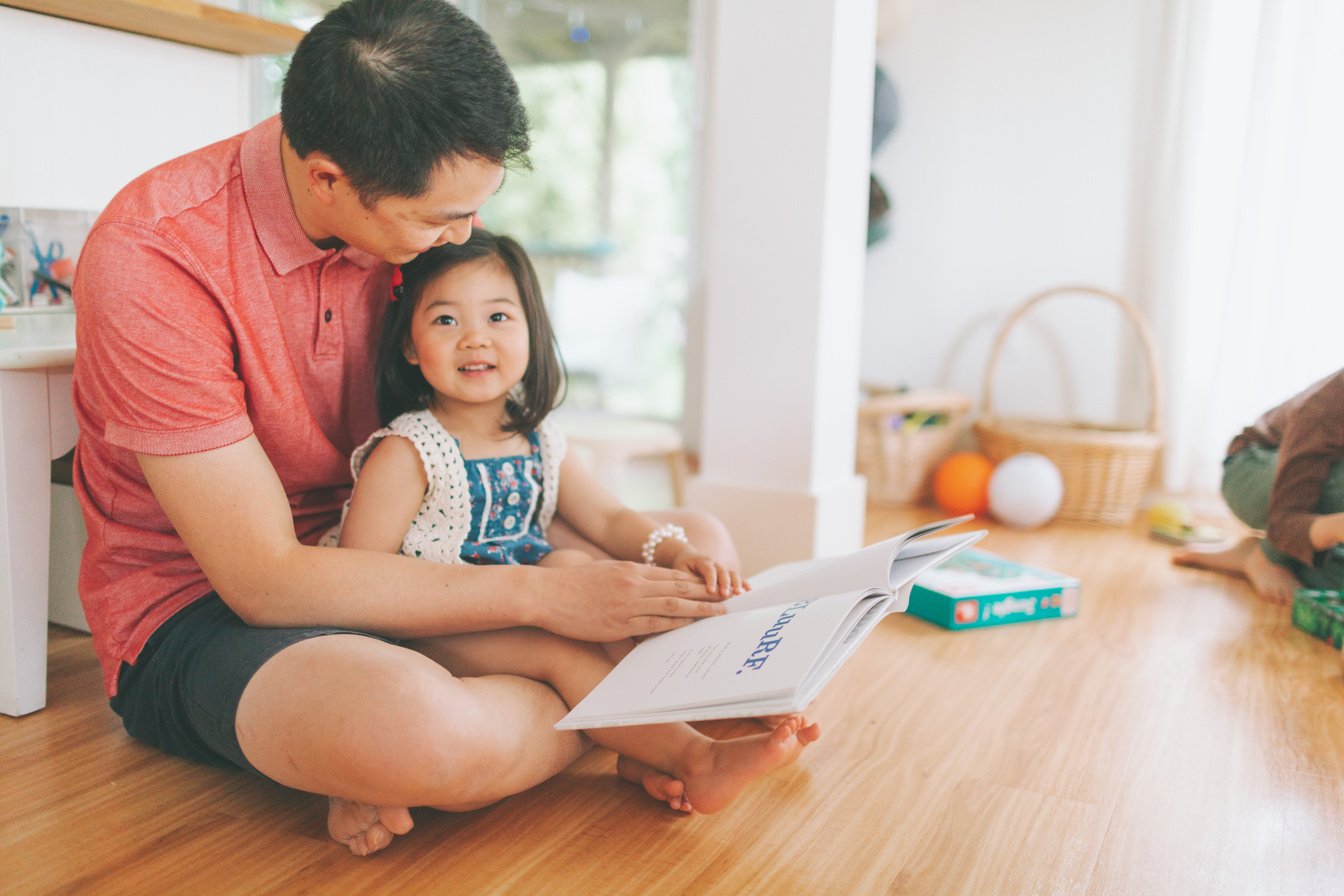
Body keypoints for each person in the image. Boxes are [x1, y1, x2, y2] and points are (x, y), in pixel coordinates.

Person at [73, 0, 751, 857]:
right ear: (326, 178)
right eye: (438, 220)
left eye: (473, 210)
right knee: (423, 731)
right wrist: (548, 599)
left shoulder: (395, 194)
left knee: (697, 538)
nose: (461, 237)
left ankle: (597, 710)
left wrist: (585, 570)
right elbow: (265, 584)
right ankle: (629, 712)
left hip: (430, 555)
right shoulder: (155, 259)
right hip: (214, 609)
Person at [334, 230, 819, 814]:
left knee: (580, 566)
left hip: (528, 593)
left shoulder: (540, 437)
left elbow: (611, 518)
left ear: (532, 332)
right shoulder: (409, 450)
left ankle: (665, 732)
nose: (475, 337)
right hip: (440, 616)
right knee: (558, 649)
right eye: (444, 321)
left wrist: (674, 554)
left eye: (498, 315)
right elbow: (359, 579)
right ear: (409, 347)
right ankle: (695, 758)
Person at [1174, 368, 1344, 605]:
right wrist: (1336, 528)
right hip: (1253, 469)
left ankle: (1259, 554)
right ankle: (1271, 555)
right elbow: (1285, 518)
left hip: (1305, 505)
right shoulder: (1329, 405)